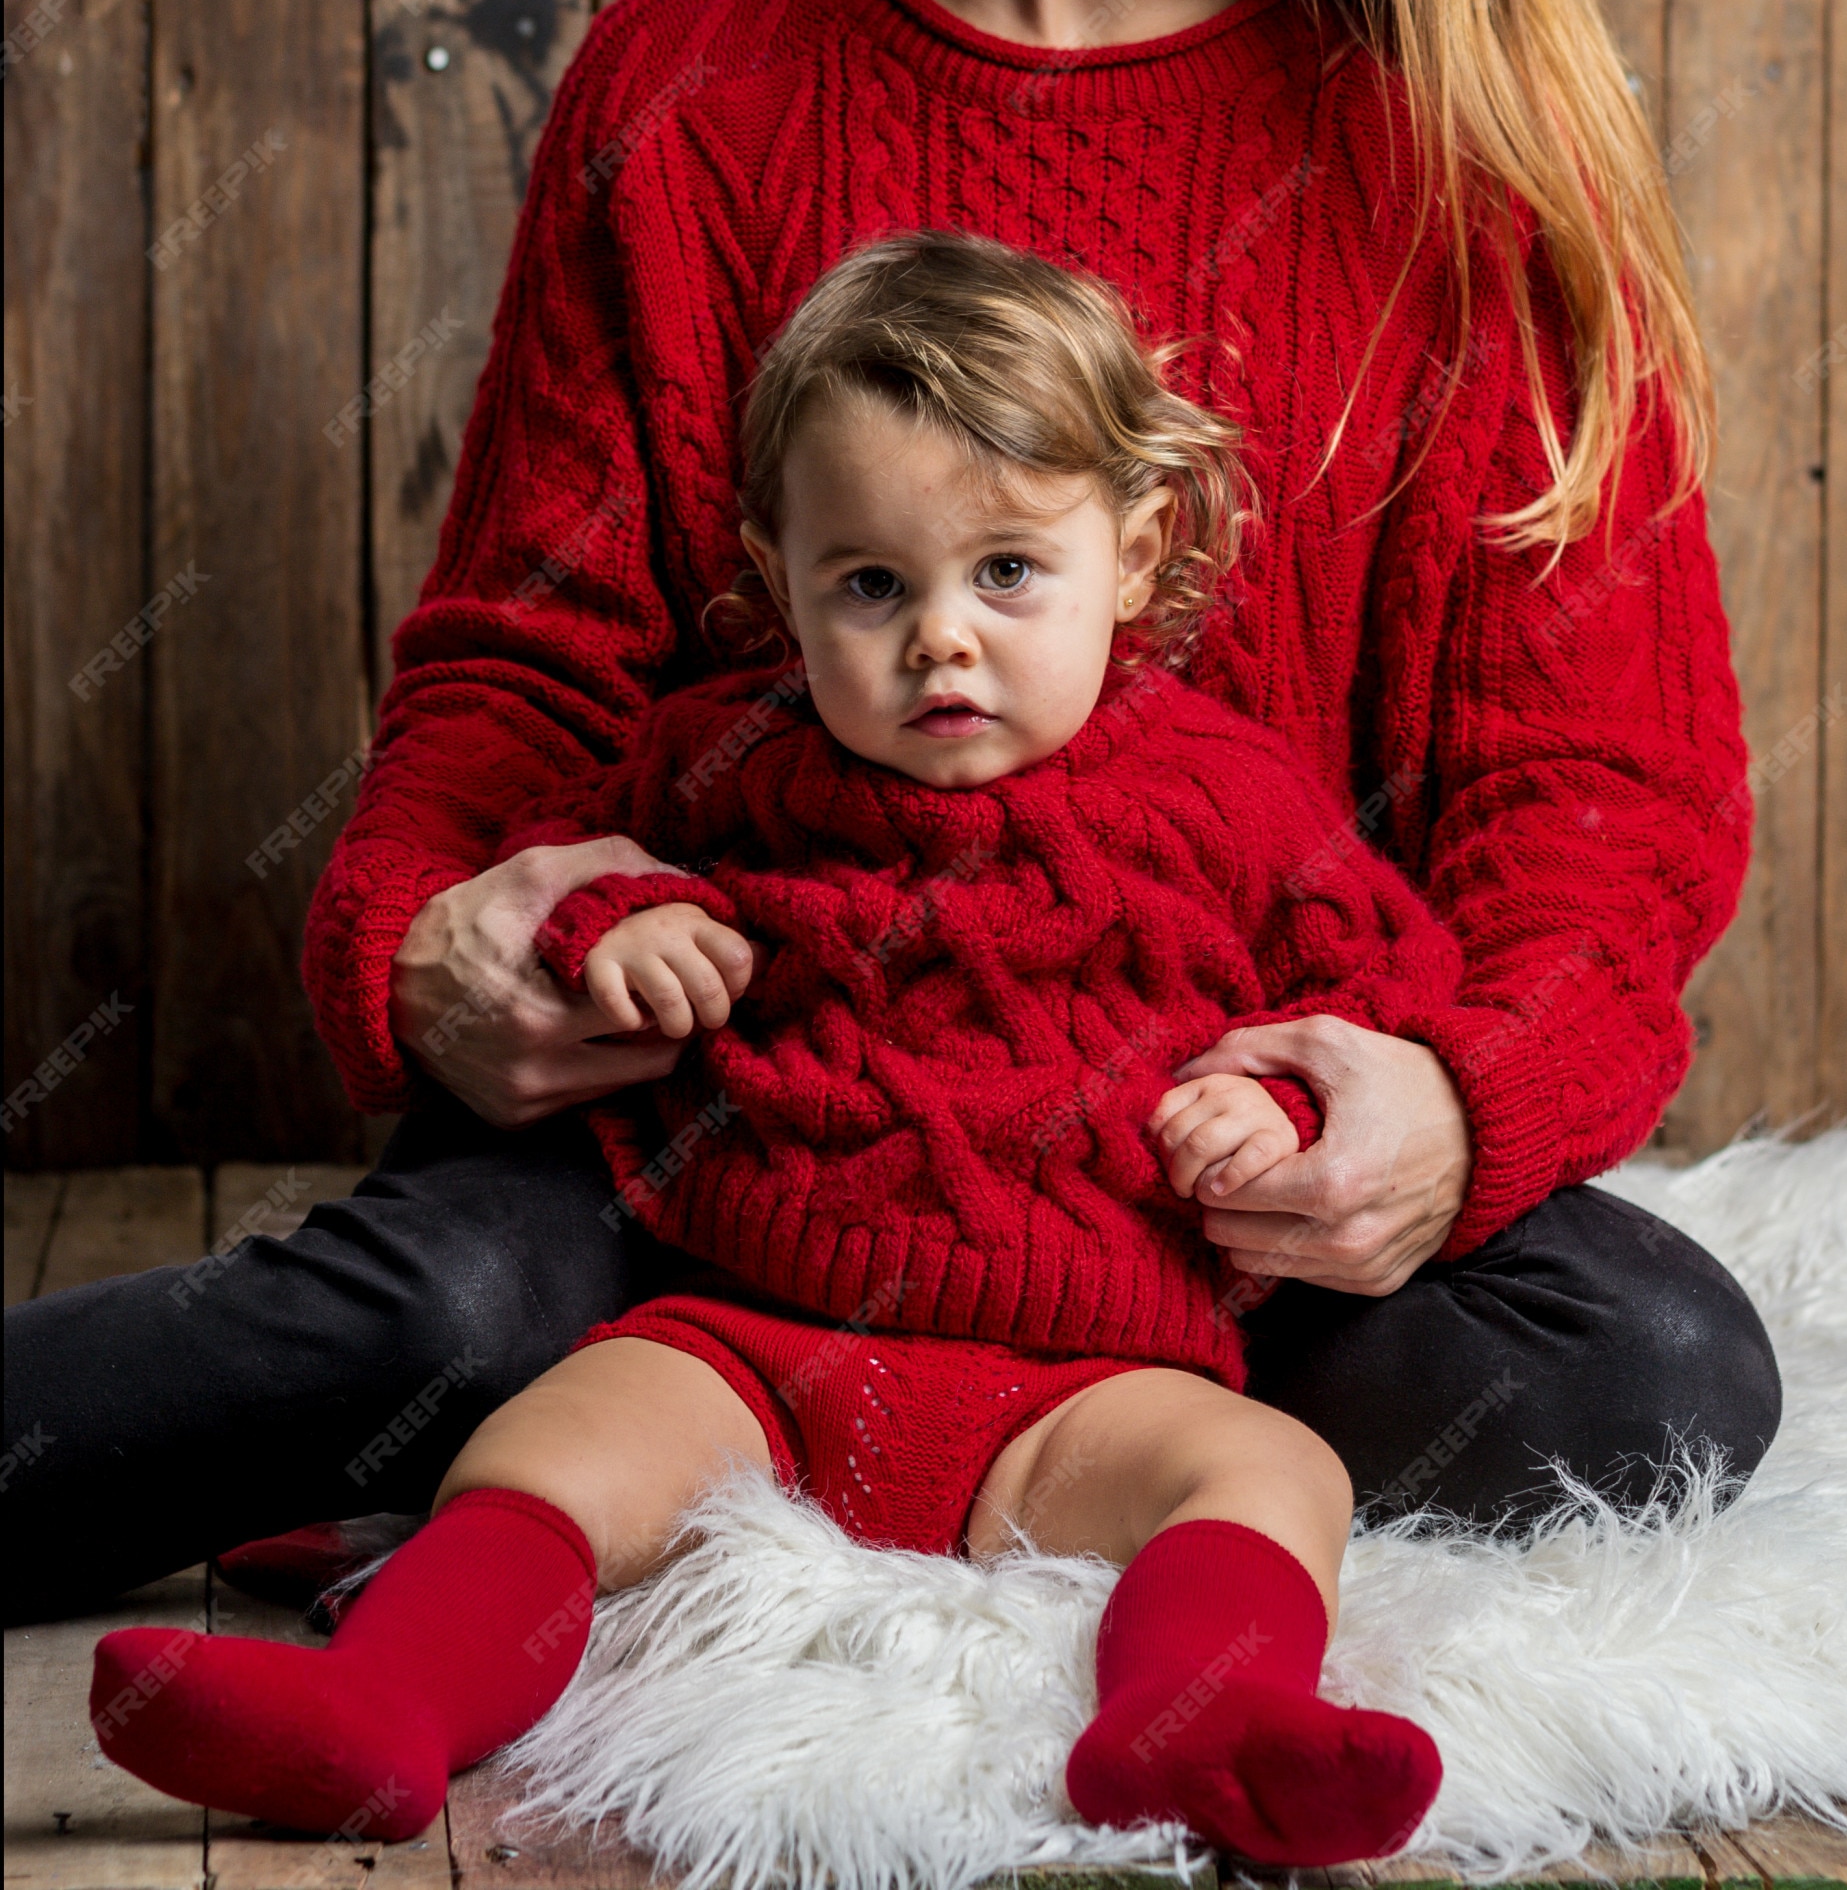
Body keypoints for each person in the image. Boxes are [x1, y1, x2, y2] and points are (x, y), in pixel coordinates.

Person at [3, 0, 1781, 1633]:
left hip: (1175, 1179)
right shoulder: (693, 85)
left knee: (1651, 1364)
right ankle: (732, 1392)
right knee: (437, 1307)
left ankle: (783, 1436)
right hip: (748, 1118)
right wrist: (429, 938)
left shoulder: (1465, 171)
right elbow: (519, 678)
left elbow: (1608, 813)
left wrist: (1451, 1110)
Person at [94, 229, 1493, 1865]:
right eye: (872, 584)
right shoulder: (723, 757)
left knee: (1274, 1471)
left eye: (1010, 572)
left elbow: (1390, 993)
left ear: (1139, 542)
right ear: (779, 579)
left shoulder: (1229, 796)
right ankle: (382, 1706)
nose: (941, 638)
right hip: (757, 1347)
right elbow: (564, 846)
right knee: (547, 1450)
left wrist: (1273, 1100)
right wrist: (603, 931)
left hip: (1089, 1384)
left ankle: (1195, 1721)